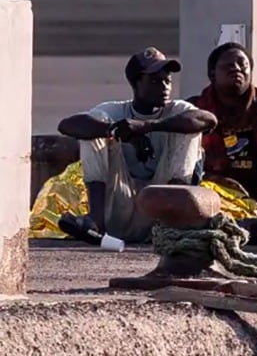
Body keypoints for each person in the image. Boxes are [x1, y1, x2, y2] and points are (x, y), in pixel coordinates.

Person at [56, 48, 215, 243]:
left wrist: (147, 127)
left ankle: (176, 219)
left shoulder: (177, 109)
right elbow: (66, 125)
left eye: (167, 81)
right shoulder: (115, 110)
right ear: (136, 84)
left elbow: (209, 120)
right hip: (119, 209)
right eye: (155, 81)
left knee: (189, 128)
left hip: (163, 211)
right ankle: (95, 221)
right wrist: (116, 131)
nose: (164, 87)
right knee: (95, 126)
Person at [193, 43, 257, 202]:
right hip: (205, 201)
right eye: (228, 65)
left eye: (242, 64)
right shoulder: (195, 109)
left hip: (252, 204)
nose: (236, 68)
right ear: (212, 73)